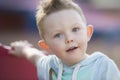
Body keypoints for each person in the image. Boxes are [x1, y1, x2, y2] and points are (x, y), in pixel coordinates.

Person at [9, 0, 120, 80]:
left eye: (75, 29)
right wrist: (23, 49)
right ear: (47, 46)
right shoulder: (50, 66)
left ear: (88, 33)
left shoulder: (102, 66)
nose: (69, 39)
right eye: (58, 35)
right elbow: (35, 56)